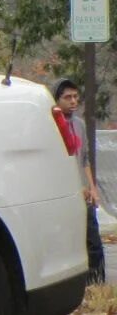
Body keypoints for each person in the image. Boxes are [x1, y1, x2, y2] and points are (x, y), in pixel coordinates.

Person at [55, 79, 106, 284]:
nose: (73, 101)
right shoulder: (54, 125)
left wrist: (92, 188)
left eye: (76, 96)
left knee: (93, 241)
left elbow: (84, 159)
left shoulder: (79, 124)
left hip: (84, 194)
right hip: (64, 193)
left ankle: (96, 283)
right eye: (68, 97)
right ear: (58, 99)